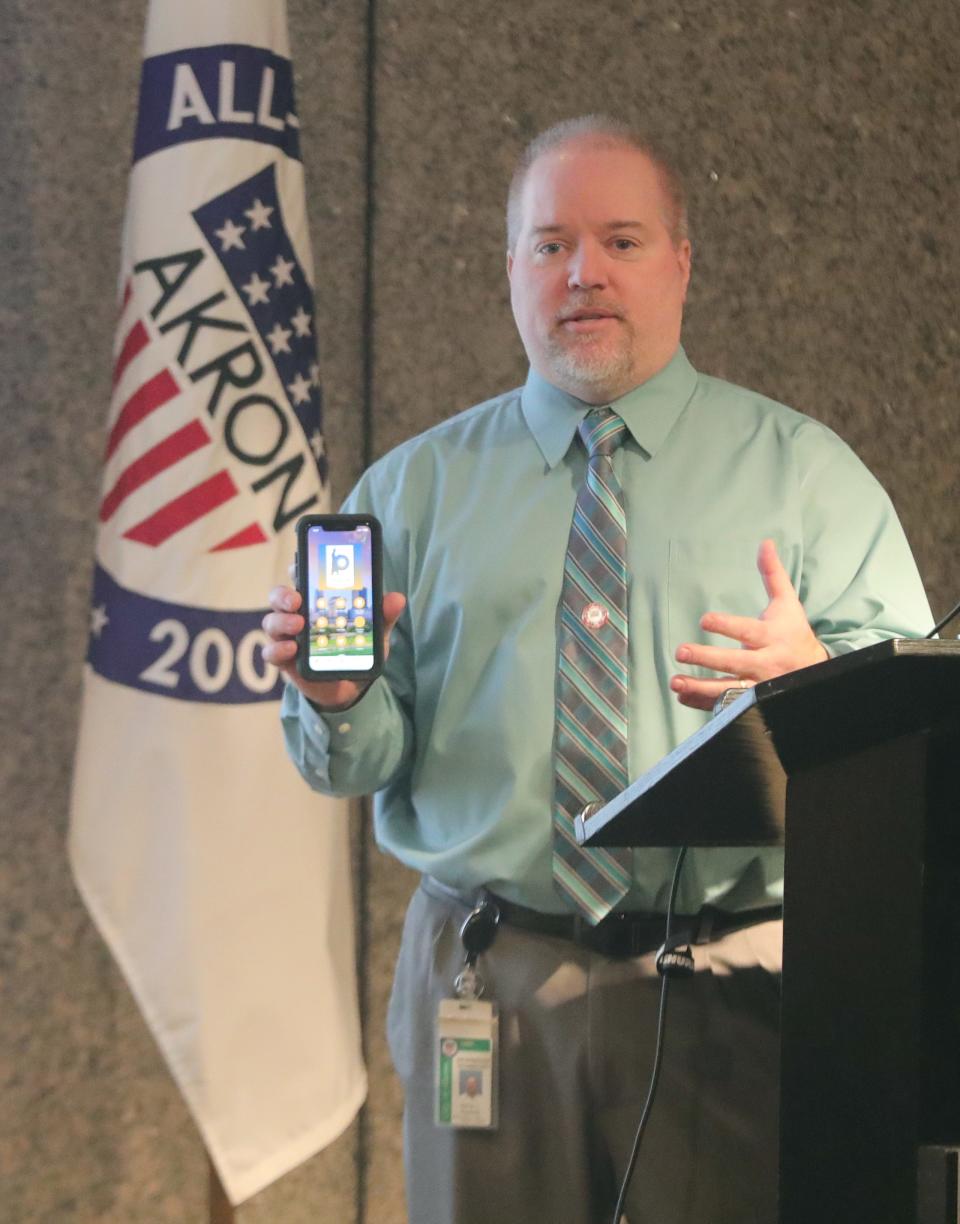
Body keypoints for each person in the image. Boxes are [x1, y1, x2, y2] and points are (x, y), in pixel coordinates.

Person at [263, 116, 931, 1224]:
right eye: (551, 243)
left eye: (621, 240)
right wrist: (338, 698)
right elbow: (360, 763)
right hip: (489, 976)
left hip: (727, 994)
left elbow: (906, 730)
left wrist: (819, 681)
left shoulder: (808, 475)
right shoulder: (412, 490)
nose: (585, 273)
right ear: (512, 269)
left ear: (682, 260)